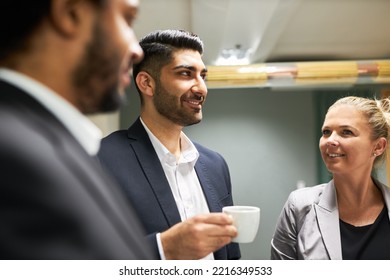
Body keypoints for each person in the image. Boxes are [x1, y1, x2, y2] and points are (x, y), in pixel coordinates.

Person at [0, 0, 154, 259]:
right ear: (70, 13)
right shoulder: (14, 157)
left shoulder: (45, 142)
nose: (137, 51)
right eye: (127, 20)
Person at [98, 29, 241, 260]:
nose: (201, 88)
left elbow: (230, 253)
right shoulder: (102, 160)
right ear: (146, 83)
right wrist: (162, 249)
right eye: (186, 74)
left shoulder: (216, 165)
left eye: (202, 76)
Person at [271, 96, 390, 260]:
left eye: (346, 132)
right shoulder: (299, 207)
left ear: (378, 146)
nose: (331, 140)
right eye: (326, 132)